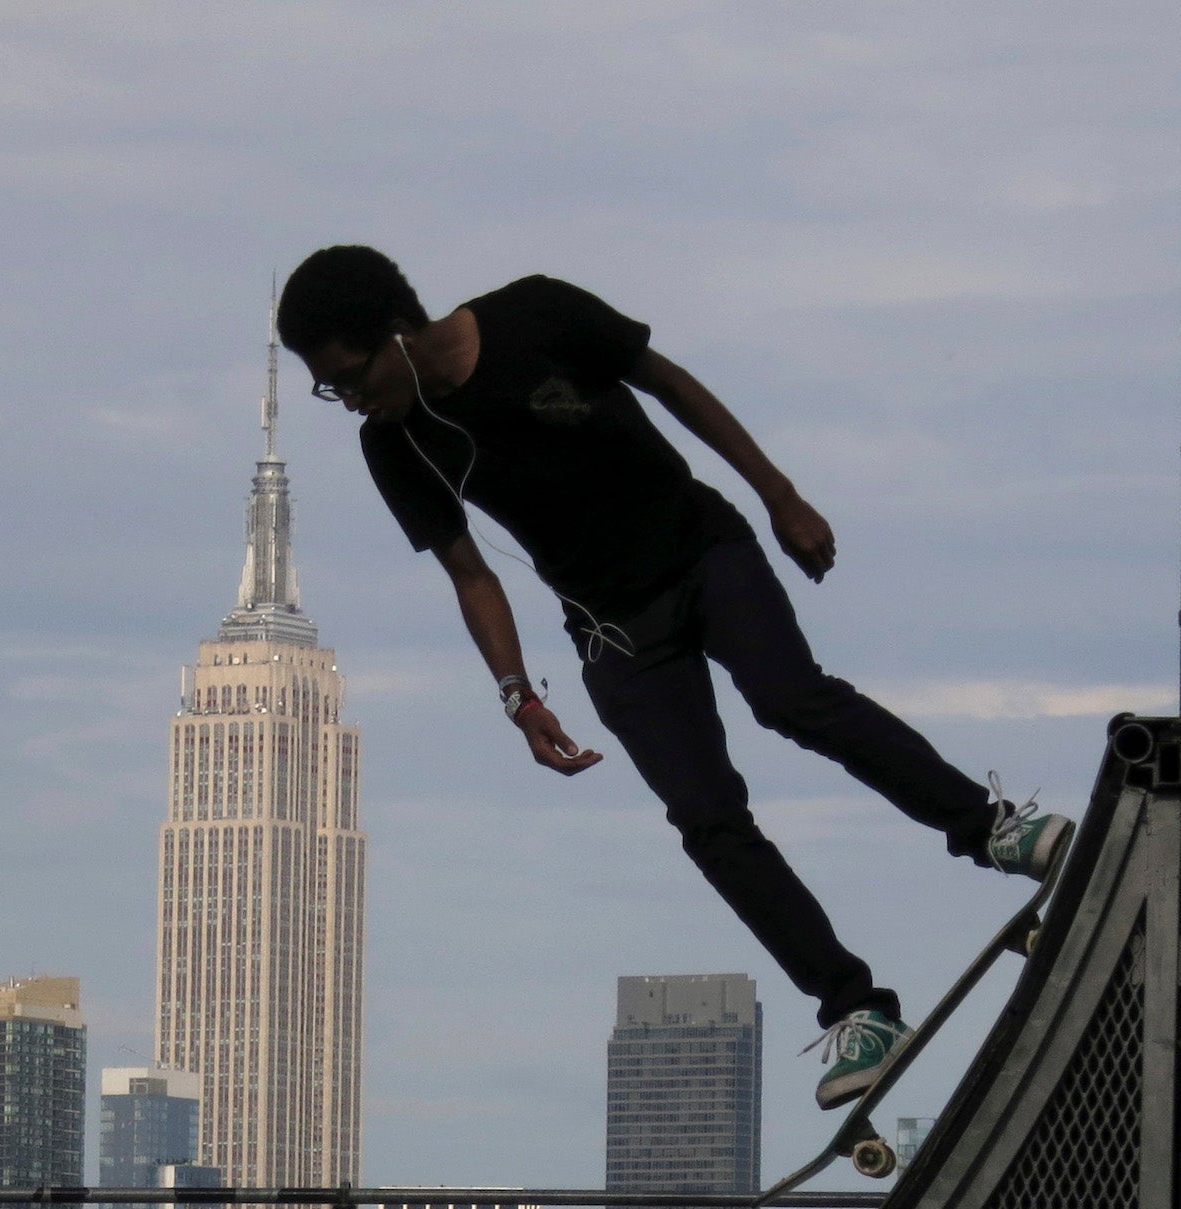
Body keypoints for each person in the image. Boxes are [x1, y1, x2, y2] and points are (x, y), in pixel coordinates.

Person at [277, 246, 1073, 1109]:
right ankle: (859, 1009)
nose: (349, 399)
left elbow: (672, 385)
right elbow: (473, 575)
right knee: (706, 817)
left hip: (703, 551)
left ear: (394, 332)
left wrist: (781, 495)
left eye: (348, 377)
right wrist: (518, 695)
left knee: (791, 699)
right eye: (332, 390)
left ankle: (989, 828)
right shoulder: (393, 445)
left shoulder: (537, 313)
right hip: (615, 628)